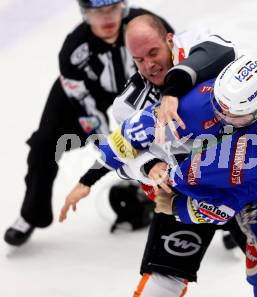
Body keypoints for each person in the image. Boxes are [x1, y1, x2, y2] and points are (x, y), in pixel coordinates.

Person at [67, 55, 257, 297]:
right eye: (219, 106)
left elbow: (221, 207)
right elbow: (129, 136)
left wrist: (172, 203)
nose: (222, 117)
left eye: (234, 116)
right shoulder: (219, 98)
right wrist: (91, 176)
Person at [61, 14, 246, 297]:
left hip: (247, 175)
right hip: (190, 189)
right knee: (163, 278)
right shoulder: (128, 105)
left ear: (169, 40)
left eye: (154, 52)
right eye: (139, 59)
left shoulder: (195, 42)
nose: (149, 65)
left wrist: (173, 90)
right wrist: (149, 166)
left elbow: (223, 51)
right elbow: (125, 152)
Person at [3, 0, 173, 247]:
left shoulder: (146, 27)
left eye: (113, 10)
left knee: (180, 132)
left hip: (144, 88)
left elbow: (177, 64)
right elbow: (90, 115)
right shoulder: (73, 50)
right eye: (97, 14)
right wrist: (119, 159)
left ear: (123, 7)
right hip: (86, 98)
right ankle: (32, 214)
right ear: (84, 13)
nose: (107, 20)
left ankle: (219, 213)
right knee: (43, 144)